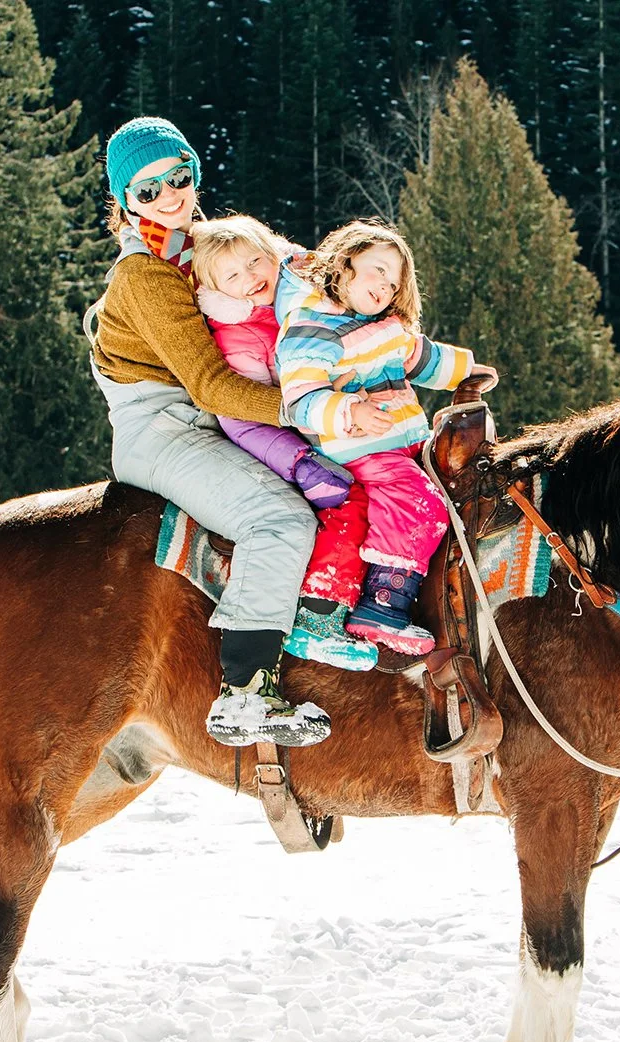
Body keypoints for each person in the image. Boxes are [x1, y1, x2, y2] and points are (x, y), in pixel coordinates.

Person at [86, 116, 329, 747]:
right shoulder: (145, 274)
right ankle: (244, 695)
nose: (171, 196)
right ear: (123, 203)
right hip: (165, 427)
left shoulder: (206, 244)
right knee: (280, 519)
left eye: (180, 176)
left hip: (216, 418)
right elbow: (211, 386)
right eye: (148, 190)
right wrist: (317, 406)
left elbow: (298, 271)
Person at [275, 220, 496, 655]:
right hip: (357, 449)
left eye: (394, 282)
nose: (385, 286)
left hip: (400, 442)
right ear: (346, 261)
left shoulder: (386, 327)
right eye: (378, 270)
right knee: (420, 504)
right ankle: (382, 604)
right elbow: (299, 399)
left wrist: (465, 370)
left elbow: (422, 358)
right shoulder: (311, 327)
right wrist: (348, 409)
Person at [188, 215, 378, 672]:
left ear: (275, 253)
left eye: (256, 261)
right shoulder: (239, 337)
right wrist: (300, 463)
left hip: (349, 419)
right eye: (233, 275)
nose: (252, 277)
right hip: (294, 447)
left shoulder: (315, 296)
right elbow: (243, 421)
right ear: (218, 291)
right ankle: (321, 613)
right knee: (346, 502)